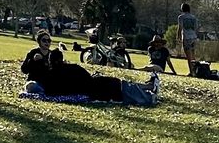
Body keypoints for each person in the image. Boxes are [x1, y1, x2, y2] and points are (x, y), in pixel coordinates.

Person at [20, 33, 160, 107]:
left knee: (125, 89)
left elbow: (49, 89)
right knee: (124, 88)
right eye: (44, 41)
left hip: (93, 89)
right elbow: (25, 70)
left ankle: (148, 88)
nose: (47, 43)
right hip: (97, 87)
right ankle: (149, 92)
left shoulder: (50, 78)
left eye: (48, 41)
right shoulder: (35, 55)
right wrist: (33, 61)